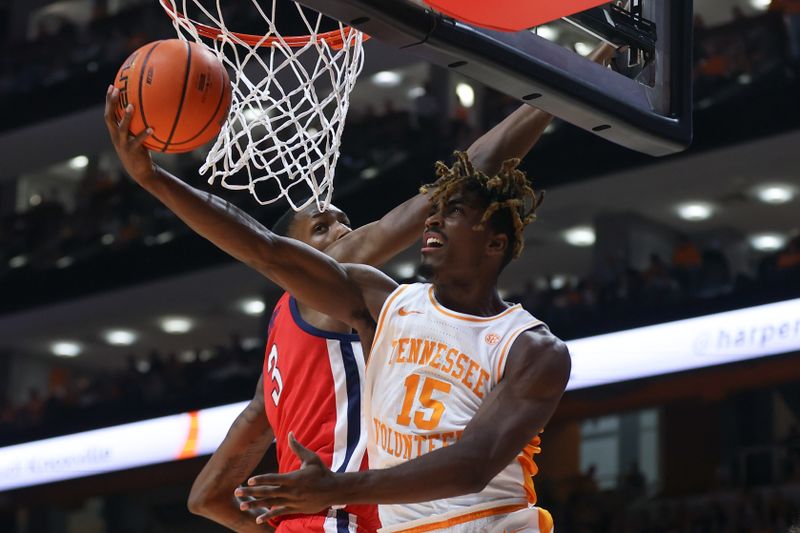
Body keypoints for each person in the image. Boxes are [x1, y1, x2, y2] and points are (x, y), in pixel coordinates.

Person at [104, 41, 595, 528]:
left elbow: (206, 496)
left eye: (343, 221)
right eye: (322, 230)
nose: (344, 233)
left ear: (495, 244)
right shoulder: (363, 297)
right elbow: (264, 251)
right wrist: (152, 181)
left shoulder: (528, 346)